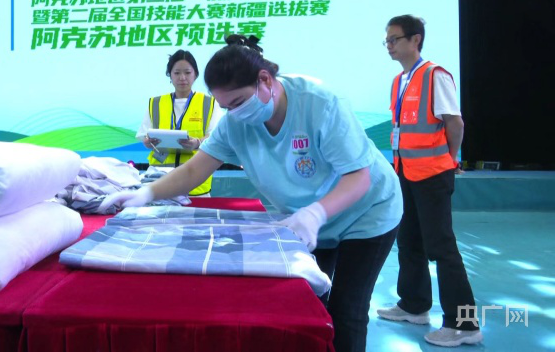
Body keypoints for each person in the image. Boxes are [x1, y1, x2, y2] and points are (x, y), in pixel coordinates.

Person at [103, 34, 402, 352]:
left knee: (347, 310)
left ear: (265, 80)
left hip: (365, 212)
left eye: (239, 102)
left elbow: (358, 178)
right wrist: (146, 193)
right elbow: (194, 170)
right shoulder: (235, 123)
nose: (234, 113)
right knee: (309, 303)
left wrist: (316, 213)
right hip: (304, 218)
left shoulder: (320, 103)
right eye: (225, 107)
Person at [376, 15, 482, 347]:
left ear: (415, 40)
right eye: (386, 40)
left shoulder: (435, 75)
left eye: (394, 39)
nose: (389, 45)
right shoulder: (399, 81)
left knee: (442, 248)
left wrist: (450, 159)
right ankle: (414, 305)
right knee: (408, 241)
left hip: (434, 173)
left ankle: (464, 324)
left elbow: (455, 123)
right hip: (405, 172)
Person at [136, 50, 222, 196]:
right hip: (159, 179)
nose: (182, 78)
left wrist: (197, 143)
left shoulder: (209, 103)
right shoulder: (156, 103)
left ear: (195, 74)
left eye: (187, 72)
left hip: (195, 181)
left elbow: (216, 137)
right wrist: (148, 142)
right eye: (176, 73)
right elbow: (144, 136)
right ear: (170, 75)